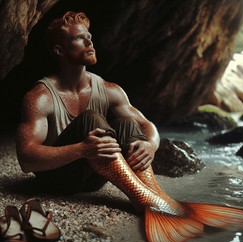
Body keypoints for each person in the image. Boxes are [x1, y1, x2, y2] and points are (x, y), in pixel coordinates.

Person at [16, 11, 160, 194]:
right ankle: (144, 198)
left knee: (128, 123)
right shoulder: (41, 96)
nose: (89, 42)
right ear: (60, 50)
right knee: (90, 118)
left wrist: (151, 145)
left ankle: (152, 195)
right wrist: (81, 150)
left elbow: (146, 125)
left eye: (89, 37)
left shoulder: (110, 90)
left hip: (94, 179)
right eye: (79, 38)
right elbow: (26, 159)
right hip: (56, 181)